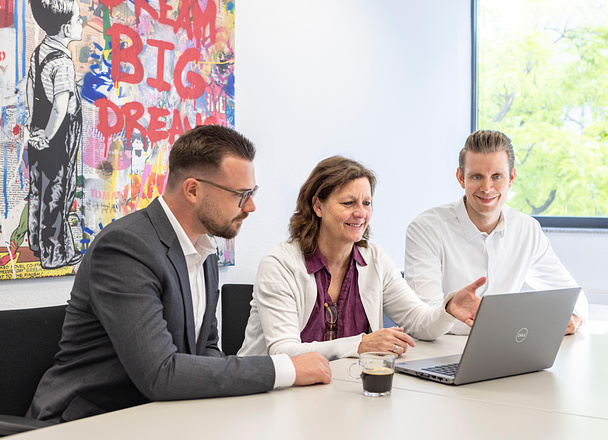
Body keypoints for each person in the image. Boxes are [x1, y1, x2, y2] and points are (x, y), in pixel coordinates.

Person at [27, 125, 331, 424]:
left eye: (252, 192)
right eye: (241, 194)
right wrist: (286, 369)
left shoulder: (204, 249)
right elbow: (160, 374)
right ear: (193, 190)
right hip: (86, 422)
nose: (250, 206)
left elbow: (206, 349)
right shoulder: (125, 247)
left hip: (163, 417)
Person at [238, 156, 486, 361]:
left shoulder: (374, 259)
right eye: (348, 203)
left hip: (341, 388)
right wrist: (361, 344)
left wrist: (448, 309)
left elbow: (421, 323)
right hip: (269, 393)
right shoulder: (279, 265)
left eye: (366, 203)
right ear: (318, 206)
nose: (361, 213)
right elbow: (283, 352)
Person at [404, 129, 589, 335]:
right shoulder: (426, 229)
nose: (487, 188)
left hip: (505, 347)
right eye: (476, 177)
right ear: (461, 178)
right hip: (442, 348)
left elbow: (575, 299)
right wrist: (450, 308)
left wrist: (574, 318)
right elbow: (421, 322)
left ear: (511, 177)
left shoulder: (526, 230)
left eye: (497, 176)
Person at [26, 0, 84, 269]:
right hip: (57, 138)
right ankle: (55, 253)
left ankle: (36, 242)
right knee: (58, 193)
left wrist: (34, 126)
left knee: (39, 188)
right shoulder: (63, 62)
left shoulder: (39, 52)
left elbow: (31, 87)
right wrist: (48, 136)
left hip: (38, 130)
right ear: (66, 29)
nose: (81, 24)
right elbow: (61, 107)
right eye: (78, 20)